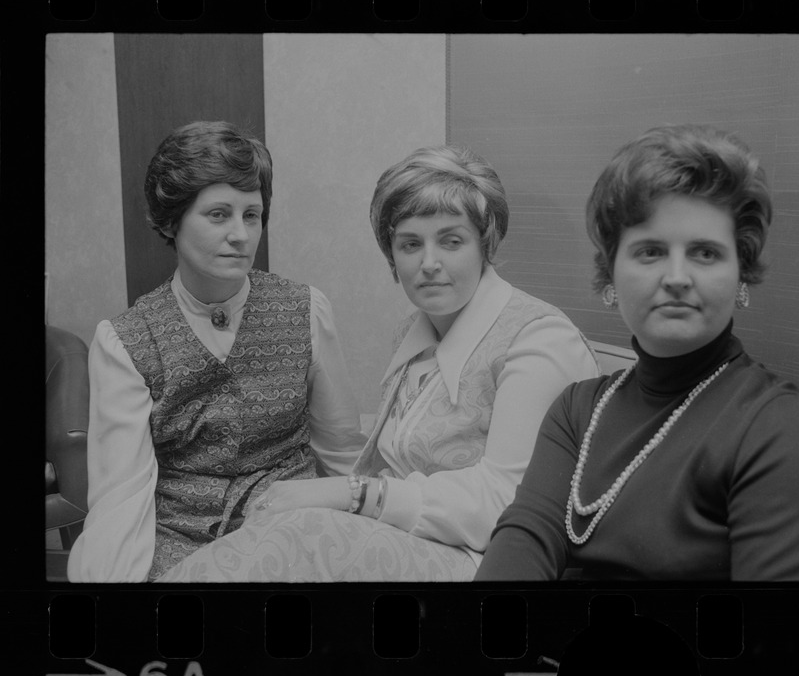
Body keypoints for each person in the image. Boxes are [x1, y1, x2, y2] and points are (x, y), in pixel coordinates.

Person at [158, 144, 601, 582]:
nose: (429, 264)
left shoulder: (539, 341)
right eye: (410, 244)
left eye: (451, 241)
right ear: (391, 256)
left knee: (302, 534)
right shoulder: (414, 333)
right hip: (408, 540)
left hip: (486, 563)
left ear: (485, 244)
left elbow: (510, 503)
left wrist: (347, 494)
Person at [476, 124, 799, 581]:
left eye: (704, 253)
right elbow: (524, 542)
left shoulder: (787, 432)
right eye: (651, 251)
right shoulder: (577, 410)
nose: (677, 276)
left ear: (742, 276)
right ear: (610, 278)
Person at [67, 121, 366, 582]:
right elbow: (121, 495)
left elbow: (340, 446)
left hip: (290, 520)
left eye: (252, 214)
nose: (241, 235)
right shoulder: (125, 341)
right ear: (172, 220)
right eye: (218, 214)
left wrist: (367, 534)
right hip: (179, 537)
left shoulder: (305, 310)